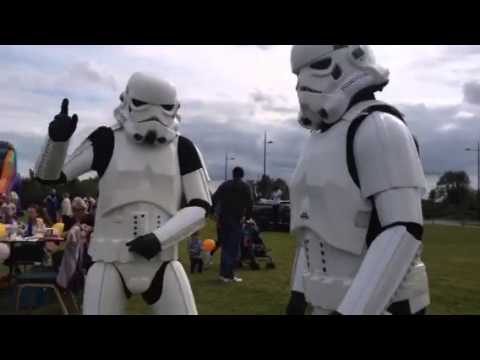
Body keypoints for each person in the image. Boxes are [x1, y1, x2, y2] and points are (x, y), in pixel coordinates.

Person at [33, 72, 212, 315]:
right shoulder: (106, 139)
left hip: (162, 261)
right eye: (142, 105)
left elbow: (201, 206)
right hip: (109, 261)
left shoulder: (184, 148)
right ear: (127, 101)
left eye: (164, 108)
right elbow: (51, 176)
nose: (154, 116)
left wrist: (160, 238)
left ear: (175, 109)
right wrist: (56, 141)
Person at [287, 45, 429, 315]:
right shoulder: (318, 140)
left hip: (384, 305)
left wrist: (354, 309)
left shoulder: (381, 127)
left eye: (317, 67)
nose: (303, 84)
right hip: (324, 302)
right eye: (298, 76)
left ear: (353, 58)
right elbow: (311, 228)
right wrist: (298, 293)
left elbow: (404, 230)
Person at [213, 166, 253, 283]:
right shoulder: (245, 187)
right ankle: (228, 275)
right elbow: (250, 203)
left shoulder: (224, 185)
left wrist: (214, 213)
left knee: (226, 246)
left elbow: (214, 198)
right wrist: (248, 218)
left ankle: (224, 274)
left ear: (233, 174)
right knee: (233, 248)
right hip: (236, 220)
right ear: (242, 175)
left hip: (224, 220)